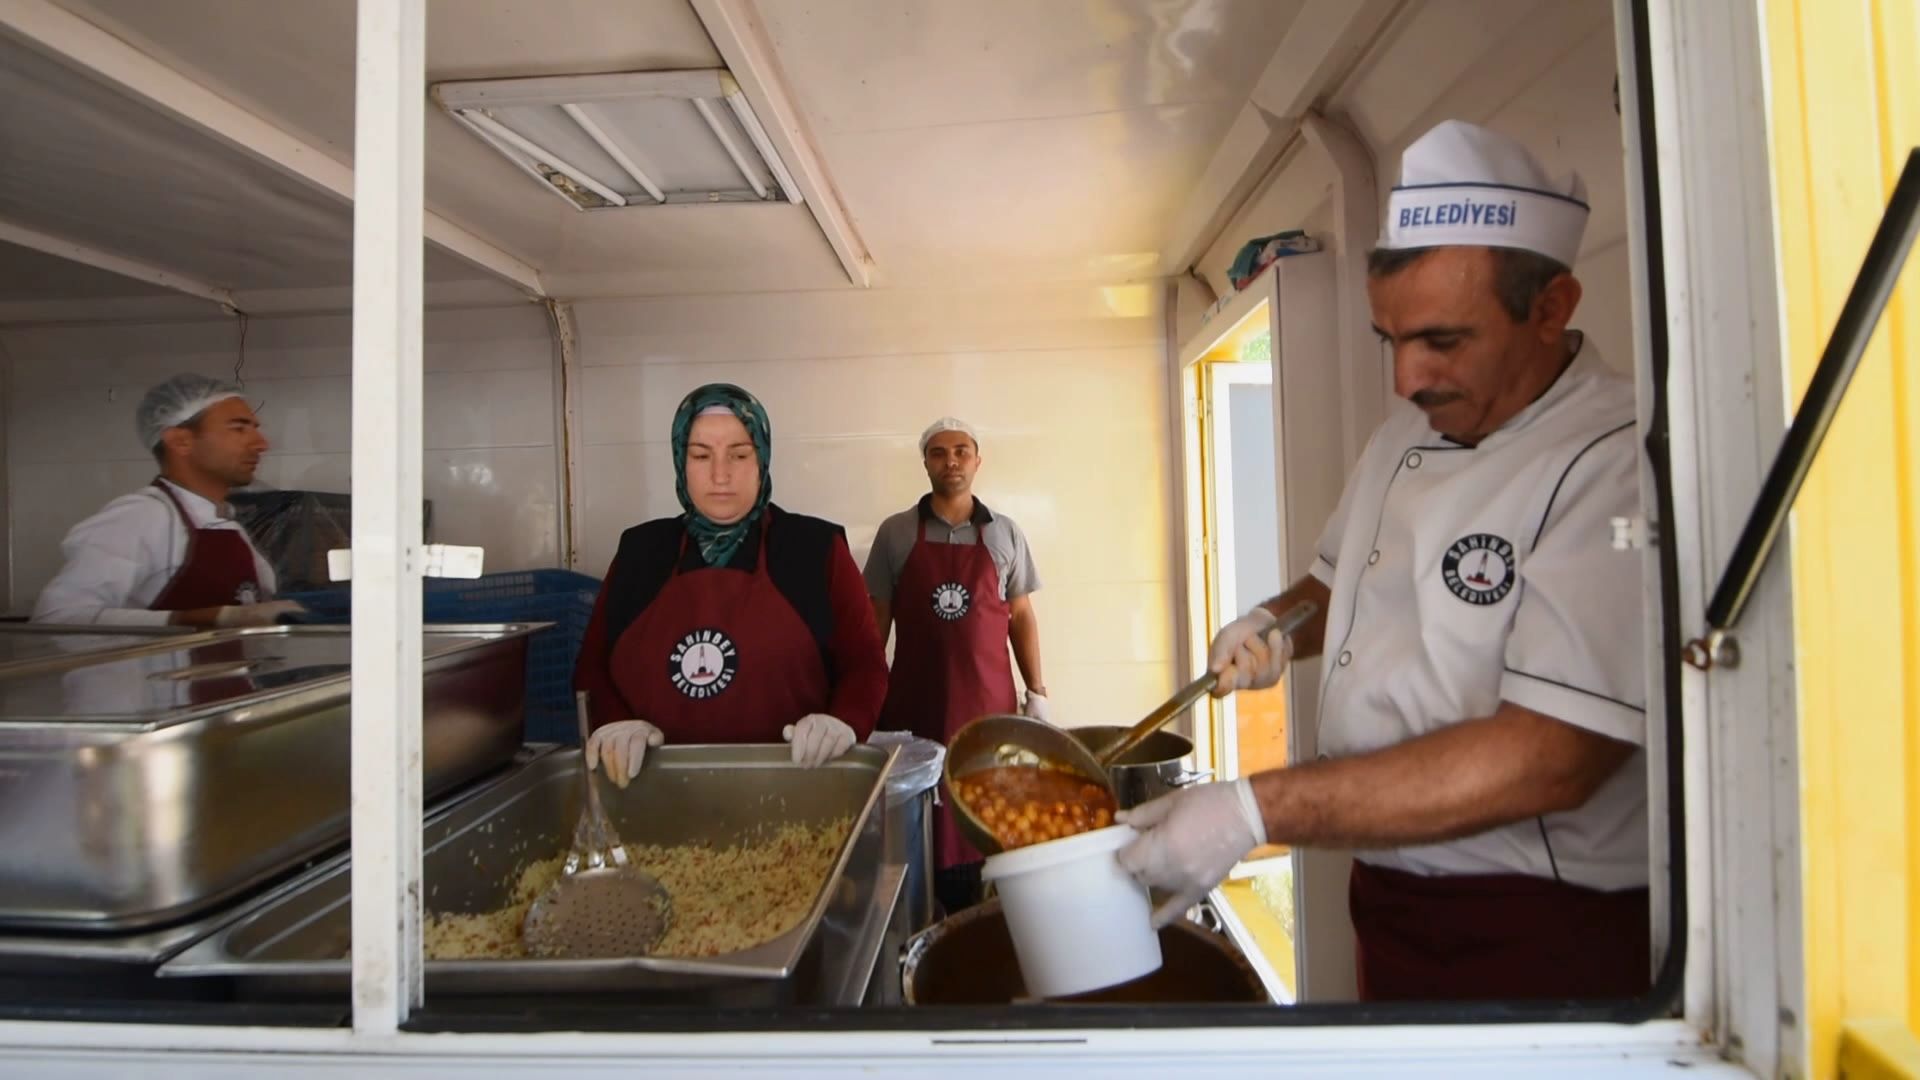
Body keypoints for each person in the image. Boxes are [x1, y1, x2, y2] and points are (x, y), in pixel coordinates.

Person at [1117, 120, 1649, 1001]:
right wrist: (1276, 624)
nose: (1406, 380)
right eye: (1388, 339)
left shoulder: (1617, 458)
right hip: (1392, 894)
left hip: (1539, 923)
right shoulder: (1409, 431)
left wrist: (1255, 809)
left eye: (1443, 340)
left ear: (1552, 307)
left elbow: (1553, 754)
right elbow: (1342, 580)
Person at [574, 384, 887, 783]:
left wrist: (843, 721)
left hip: (795, 790)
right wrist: (613, 722)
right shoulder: (640, 551)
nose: (720, 475)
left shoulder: (816, 549)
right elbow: (591, 667)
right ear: (680, 461)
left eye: (739, 454)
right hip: (649, 792)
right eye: (701, 455)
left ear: (762, 459)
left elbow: (865, 664)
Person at [864, 416, 1048, 914]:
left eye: (961, 451)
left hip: (988, 708)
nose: (951, 461)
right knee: (921, 822)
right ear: (925, 463)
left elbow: (1021, 615)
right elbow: (875, 620)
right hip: (915, 704)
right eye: (939, 452)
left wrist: (1037, 692)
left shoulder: (1005, 533)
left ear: (977, 460)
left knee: (987, 810)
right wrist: (863, 700)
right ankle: (925, 919)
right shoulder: (896, 533)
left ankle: (987, 914)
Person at [33, 373, 303, 628]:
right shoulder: (139, 517)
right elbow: (57, 617)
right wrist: (213, 618)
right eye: (239, 429)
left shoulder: (224, 522)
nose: (261, 444)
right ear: (180, 441)